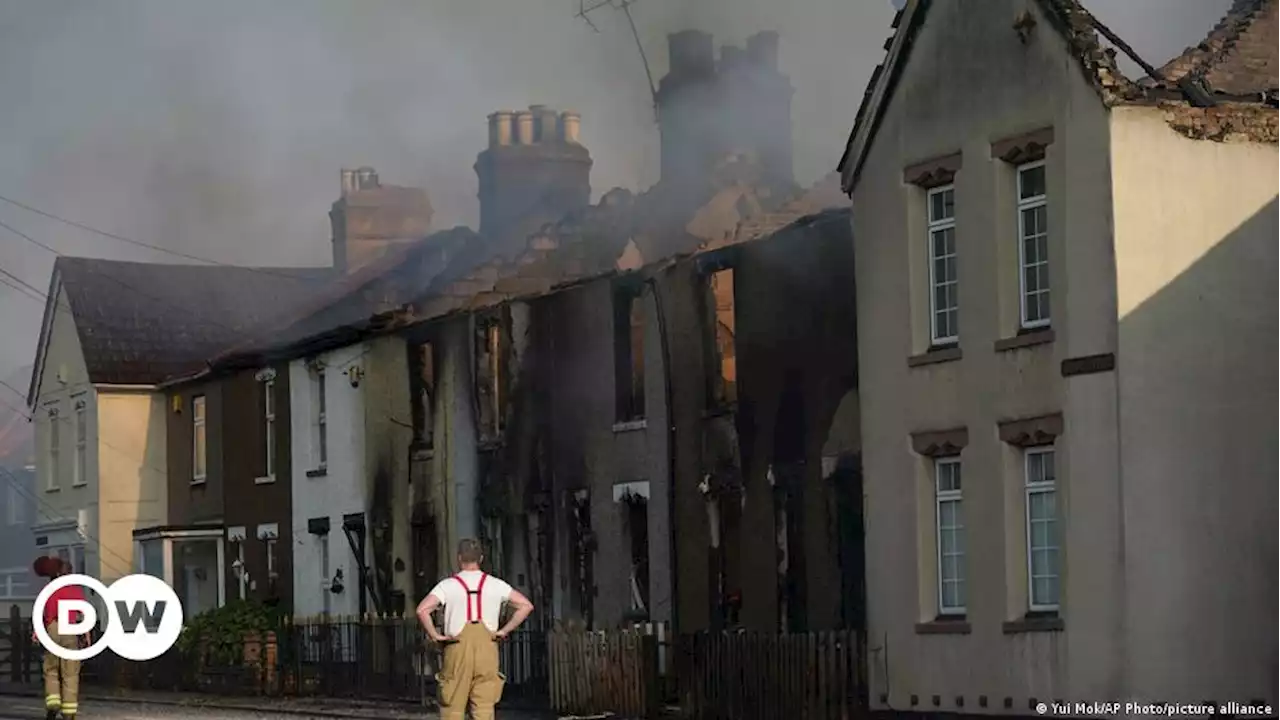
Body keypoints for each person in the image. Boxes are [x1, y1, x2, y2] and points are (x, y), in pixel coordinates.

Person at [415, 539, 534, 720]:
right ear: (481, 558)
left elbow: (422, 609)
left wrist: (435, 635)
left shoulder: (447, 585)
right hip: (487, 649)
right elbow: (526, 605)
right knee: (484, 708)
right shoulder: (497, 584)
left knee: (452, 707)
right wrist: (504, 630)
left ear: (459, 558)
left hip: (456, 648)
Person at [32, 555, 87, 720]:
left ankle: (53, 704)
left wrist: (37, 633)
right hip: (70, 628)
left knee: (51, 670)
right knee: (70, 673)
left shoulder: (49, 589)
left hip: (52, 629)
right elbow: (83, 613)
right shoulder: (75, 590)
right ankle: (69, 713)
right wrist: (86, 634)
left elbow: (42, 614)